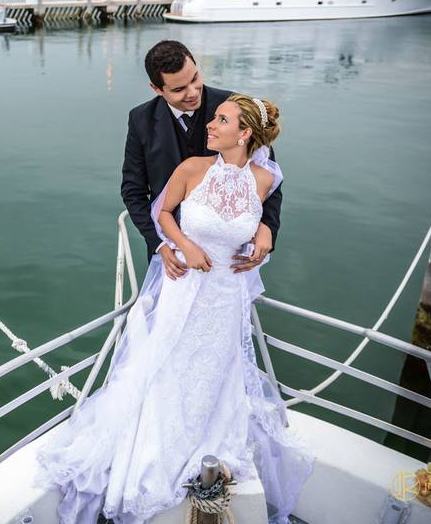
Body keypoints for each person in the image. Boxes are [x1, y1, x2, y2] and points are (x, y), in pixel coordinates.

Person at [35, 93, 315, 524]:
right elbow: (162, 211)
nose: (211, 124)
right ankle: (159, 445)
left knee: (215, 370)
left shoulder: (263, 179)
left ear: (245, 134)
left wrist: (264, 235)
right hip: (184, 286)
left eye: (221, 120)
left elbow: (265, 216)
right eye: (214, 118)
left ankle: (207, 441)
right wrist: (182, 245)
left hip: (226, 295)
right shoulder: (191, 169)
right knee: (169, 363)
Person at [119, 40, 283, 279]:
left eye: (195, 78)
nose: (193, 92)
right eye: (179, 89)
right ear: (157, 88)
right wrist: (160, 245)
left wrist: (268, 228)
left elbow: (268, 176)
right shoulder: (140, 120)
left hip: (232, 255)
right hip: (172, 258)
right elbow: (133, 192)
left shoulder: (233, 107)